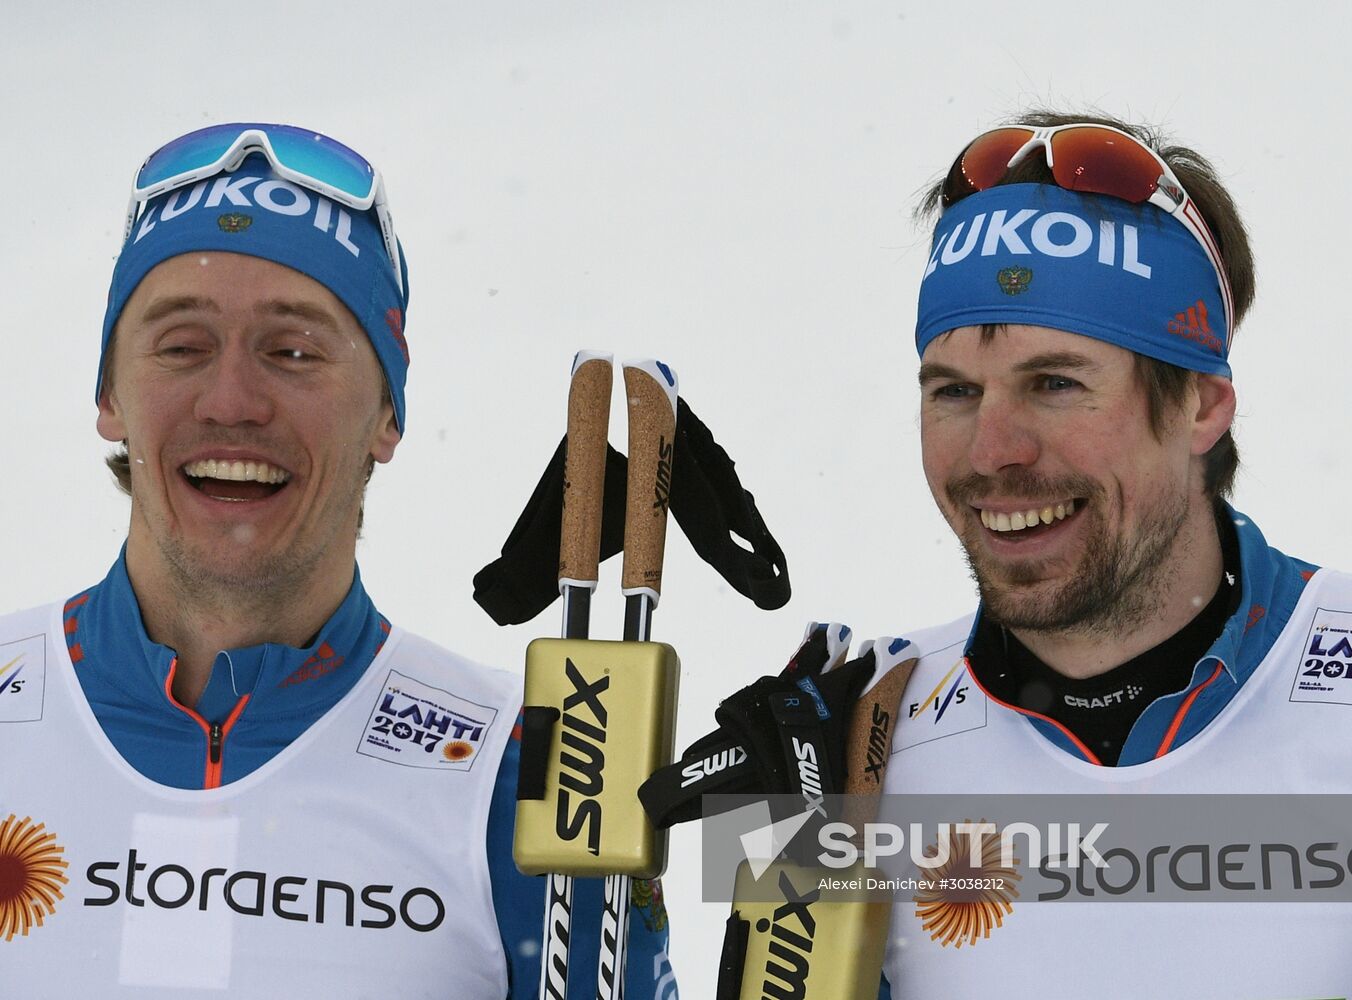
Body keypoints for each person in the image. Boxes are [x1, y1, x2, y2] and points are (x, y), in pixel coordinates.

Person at [0, 124, 676, 998]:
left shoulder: (531, 771)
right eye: (182, 346)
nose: (233, 401)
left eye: (293, 353)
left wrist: (800, 854)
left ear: (388, 413)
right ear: (108, 394)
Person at [874, 111, 1352, 994]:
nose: (993, 451)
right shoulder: (857, 732)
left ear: (1202, 407)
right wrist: (623, 874)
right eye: (954, 390)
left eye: (1055, 384)